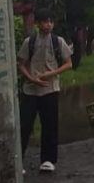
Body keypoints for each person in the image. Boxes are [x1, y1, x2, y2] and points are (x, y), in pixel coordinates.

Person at [17, 9, 74, 173]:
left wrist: (52, 74)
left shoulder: (58, 41)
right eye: (44, 21)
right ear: (38, 23)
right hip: (30, 90)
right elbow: (21, 63)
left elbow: (68, 63)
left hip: (50, 89)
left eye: (50, 21)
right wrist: (30, 78)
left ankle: (48, 160)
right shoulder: (30, 42)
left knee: (49, 125)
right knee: (24, 125)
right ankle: (18, 161)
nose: (48, 25)